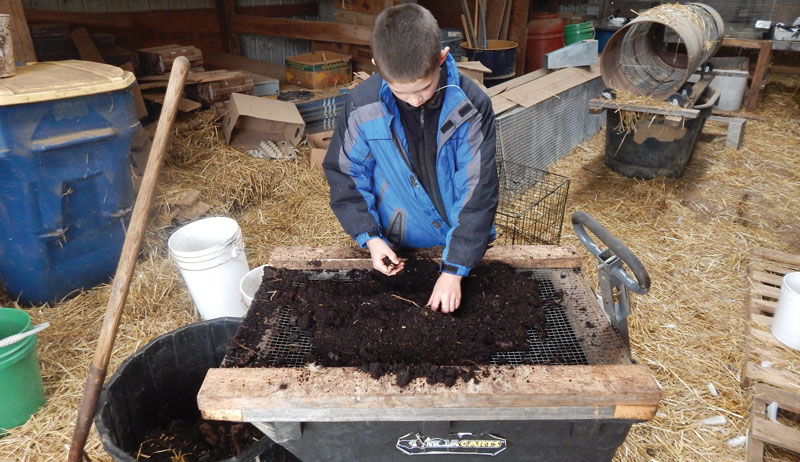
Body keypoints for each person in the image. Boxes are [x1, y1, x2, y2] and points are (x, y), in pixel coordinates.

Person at [323, 3, 498, 314]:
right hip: (396, 241)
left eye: (425, 87)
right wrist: (372, 239)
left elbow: (477, 190)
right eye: (402, 93)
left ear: (442, 58)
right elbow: (347, 176)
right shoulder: (362, 106)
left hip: (455, 240)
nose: (415, 100)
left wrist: (454, 269)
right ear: (377, 66)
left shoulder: (470, 106)